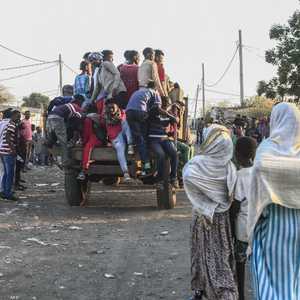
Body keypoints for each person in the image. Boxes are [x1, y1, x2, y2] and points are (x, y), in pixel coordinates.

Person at [248, 103, 300, 299]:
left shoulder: (268, 148)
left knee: (274, 281)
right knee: (296, 280)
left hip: (276, 225)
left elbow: (258, 179)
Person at [183, 124, 238, 300]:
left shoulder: (197, 165)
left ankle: (217, 293)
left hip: (203, 218)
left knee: (202, 254)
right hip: (222, 220)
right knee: (220, 256)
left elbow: (188, 176)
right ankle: (204, 291)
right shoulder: (230, 168)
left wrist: (205, 200)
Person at [231, 137, 257, 300]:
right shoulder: (259, 173)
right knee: (256, 264)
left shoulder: (239, 176)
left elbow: (236, 206)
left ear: (237, 154)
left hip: (241, 229)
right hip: (258, 226)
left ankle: (241, 295)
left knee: (240, 263)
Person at [126, 80, 161, 175]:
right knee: (144, 137)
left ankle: (133, 148)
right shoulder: (154, 92)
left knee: (137, 136)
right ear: (155, 87)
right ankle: (146, 164)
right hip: (140, 112)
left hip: (129, 112)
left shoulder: (138, 91)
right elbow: (158, 107)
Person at [148, 95, 179, 187]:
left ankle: (173, 178)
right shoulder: (153, 111)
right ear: (160, 104)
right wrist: (165, 112)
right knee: (161, 154)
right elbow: (157, 109)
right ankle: (159, 179)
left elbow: (176, 120)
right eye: (164, 104)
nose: (165, 106)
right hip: (154, 139)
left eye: (167, 104)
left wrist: (170, 115)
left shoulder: (168, 115)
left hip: (164, 139)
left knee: (174, 154)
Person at [46, 94, 84, 167]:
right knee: (63, 141)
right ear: (79, 101)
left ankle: (50, 142)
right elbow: (79, 119)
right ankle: (65, 161)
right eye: (82, 102)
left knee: (58, 133)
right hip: (58, 118)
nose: (82, 104)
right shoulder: (76, 107)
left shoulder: (67, 104)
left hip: (51, 117)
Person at [104, 102, 134, 181]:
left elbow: (123, 119)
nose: (111, 110)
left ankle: (130, 144)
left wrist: (120, 118)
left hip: (123, 133)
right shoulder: (105, 116)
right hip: (115, 137)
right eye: (109, 108)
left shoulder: (122, 112)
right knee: (120, 149)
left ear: (116, 107)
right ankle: (126, 172)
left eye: (113, 107)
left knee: (125, 123)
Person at [0, 110, 21, 201]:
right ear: (12, 116)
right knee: (10, 173)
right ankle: (8, 193)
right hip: (8, 151)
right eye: (17, 117)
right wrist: (13, 150)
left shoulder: (7, 124)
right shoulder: (12, 124)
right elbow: (8, 137)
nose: (18, 119)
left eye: (19, 117)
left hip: (3, 151)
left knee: (6, 173)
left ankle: (4, 192)